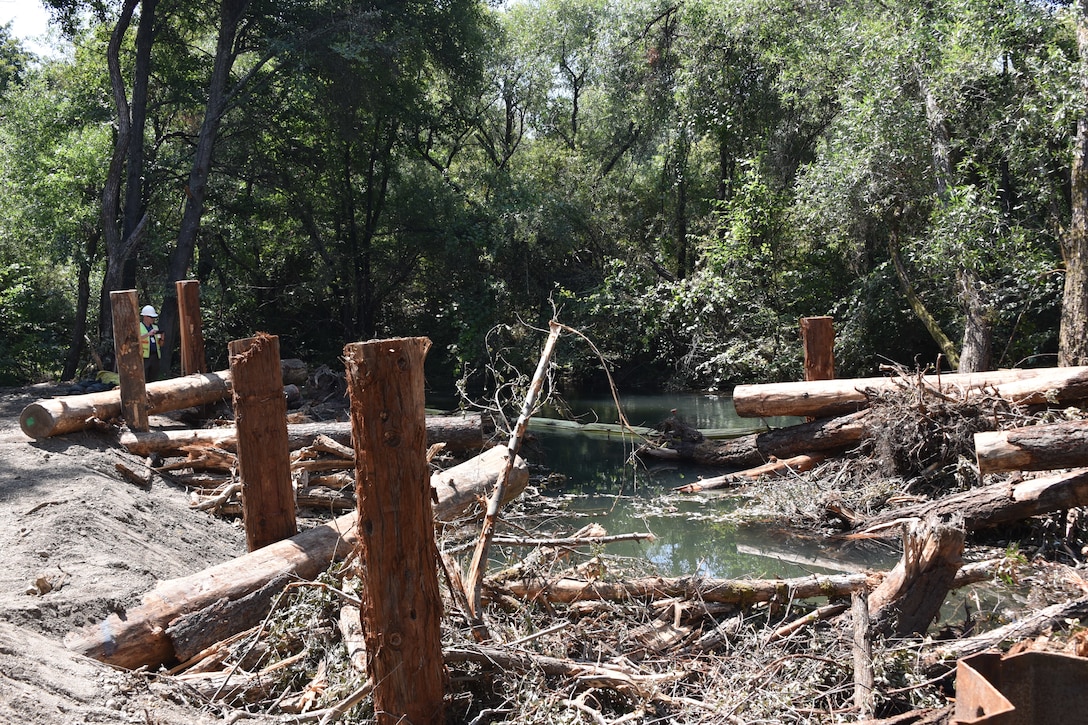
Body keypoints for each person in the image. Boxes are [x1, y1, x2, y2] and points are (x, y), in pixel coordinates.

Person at [139, 305, 164, 382]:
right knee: (144, 377)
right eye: (151, 317)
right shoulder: (138, 326)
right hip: (144, 357)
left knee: (154, 377)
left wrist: (162, 338)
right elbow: (135, 339)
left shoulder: (155, 327)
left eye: (154, 317)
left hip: (155, 356)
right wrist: (148, 334)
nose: (153, 319)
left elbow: (161, 344)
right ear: (145, 317)